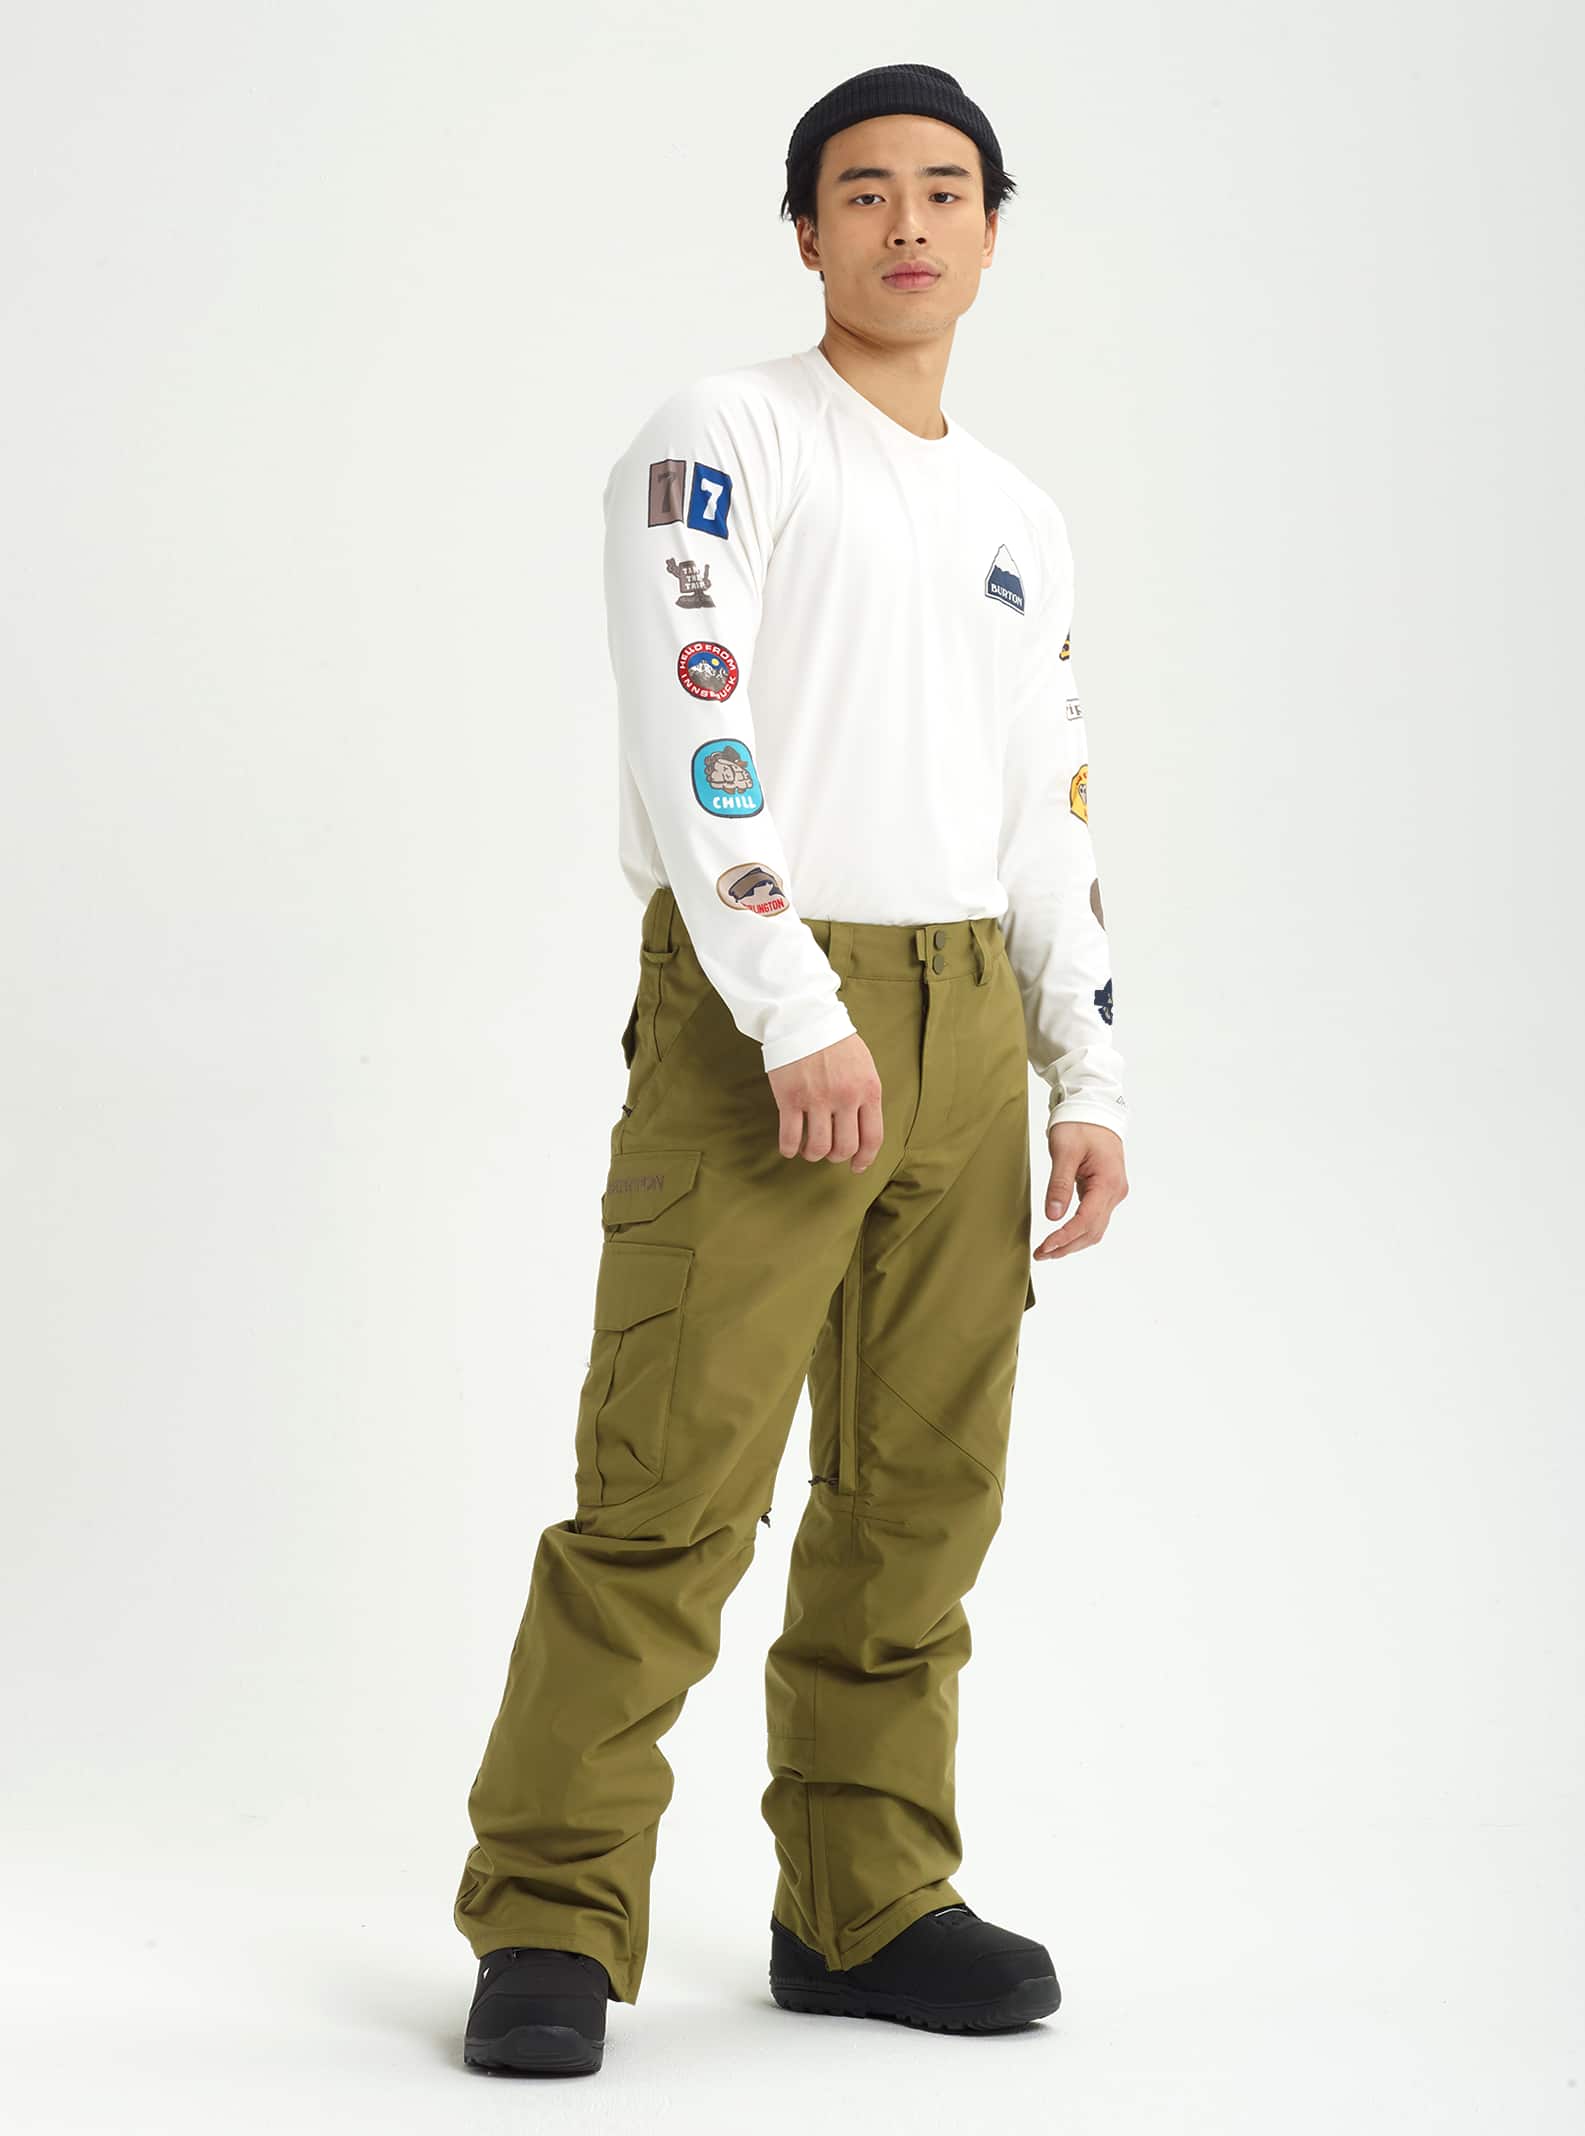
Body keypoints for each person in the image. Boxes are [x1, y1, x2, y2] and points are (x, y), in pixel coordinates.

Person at [455, 61, 1130, 2078]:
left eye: (944, 189)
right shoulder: (722, 439)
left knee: (919, 1499)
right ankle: (551, 1909)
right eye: (862, 190)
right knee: (669, 1487)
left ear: (991, 231)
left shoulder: (1018, 516)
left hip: (968, 1017)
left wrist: (1086, 1072)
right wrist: (789, 1002)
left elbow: (1047, 800)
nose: (906, 222)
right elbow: (698, 721)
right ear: (806, 228)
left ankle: (865, 1902)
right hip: (769, 1002)